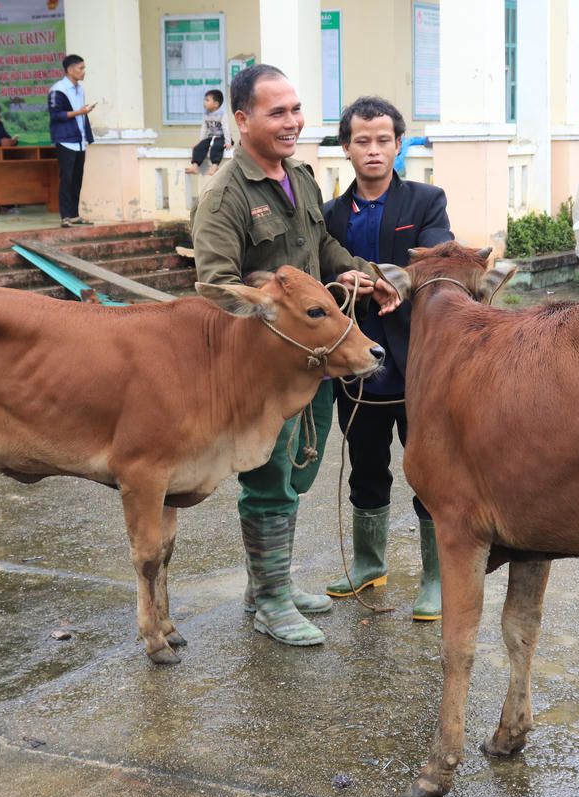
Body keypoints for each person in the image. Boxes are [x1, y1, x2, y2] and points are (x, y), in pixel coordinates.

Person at [190, 64, 400, 647]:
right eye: (277, 112)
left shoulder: (300, 178)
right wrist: (276, 293)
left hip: (316, 360)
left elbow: (323, 246)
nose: (292, 122)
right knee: (269, 482)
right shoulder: (225, 197)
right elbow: (214, 288)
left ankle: (267, 585)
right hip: (263, 372)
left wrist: (355, 273)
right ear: (242, 119)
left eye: (296, 110)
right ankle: (272, 602)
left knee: (298, 473)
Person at [320, 95, 453, 621]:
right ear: (346, 148)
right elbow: (319, 279)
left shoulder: (425, 201)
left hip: (416, 361)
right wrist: (343, 283)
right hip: (355, 365)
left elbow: (438, 263)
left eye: (383, 141)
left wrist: (390, 278)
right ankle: (369, 563)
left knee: (427, 469)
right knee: (366, 465)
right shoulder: (329, 214)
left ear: (399, 145)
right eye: (361, 141)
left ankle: (438, 577)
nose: (373, 151)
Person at [48, 54, 96, 228]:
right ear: (70, 70)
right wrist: (79, 112)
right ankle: (65, 216)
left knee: (77, 178)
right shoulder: (58, 89)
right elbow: (56, 115)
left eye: (84, 68)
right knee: (66, 178)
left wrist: (83, 112)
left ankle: (75, 215)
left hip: (79, 139)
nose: (84, 72)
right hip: (65, 140)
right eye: (80, 68)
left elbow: (79, 113)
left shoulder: (80, 89)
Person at [184, 89, 232, 176]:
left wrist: (228, 142)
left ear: (216, 104)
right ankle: (194, 166)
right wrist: (201, 142)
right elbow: (204, 128)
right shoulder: (206, 114)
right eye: (204, 100)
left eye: (207, 100)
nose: (204, 102)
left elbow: (226, 128)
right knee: (198, 148)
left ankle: (214, 167)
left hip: (222, 138)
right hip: (211, 137)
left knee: (217, 147)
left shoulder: (222, 114)